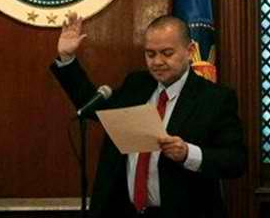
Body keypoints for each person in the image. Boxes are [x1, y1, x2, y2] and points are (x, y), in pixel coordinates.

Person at [50, 13, 246, 218]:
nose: (157, 62)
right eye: (150, 54)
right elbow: (93, 109)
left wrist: (188, 153)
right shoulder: (136, 85)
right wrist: (67, 58)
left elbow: (235, 161)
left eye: (167, 53)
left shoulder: (215, 98)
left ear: (190, 51)